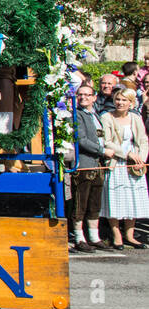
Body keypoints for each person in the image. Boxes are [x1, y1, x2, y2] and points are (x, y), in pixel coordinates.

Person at [100, 87, 148, 250]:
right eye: (118, 99)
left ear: (131, 103)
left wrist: (141, 158)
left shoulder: (135, 118)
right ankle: (116, 235)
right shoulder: (106, 117)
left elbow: (143, 139)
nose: (120, 103)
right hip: (117, 162)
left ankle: (130, 235)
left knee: (132, 197)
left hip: (134, 163)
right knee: (115, 197)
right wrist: (127, 154)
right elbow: (107, 141)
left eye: (124, 100)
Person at [68, 84, 104, 253]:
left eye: (87, 95)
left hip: (97, 164)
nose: (83, 98)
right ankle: (78, 236)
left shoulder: (95, 114)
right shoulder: (76, 115)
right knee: (80, 202)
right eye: (80, 95)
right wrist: (102, 151)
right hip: (84, 164)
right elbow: (81, 140)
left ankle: (94, 236)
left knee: (94, 201)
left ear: (94, 97)